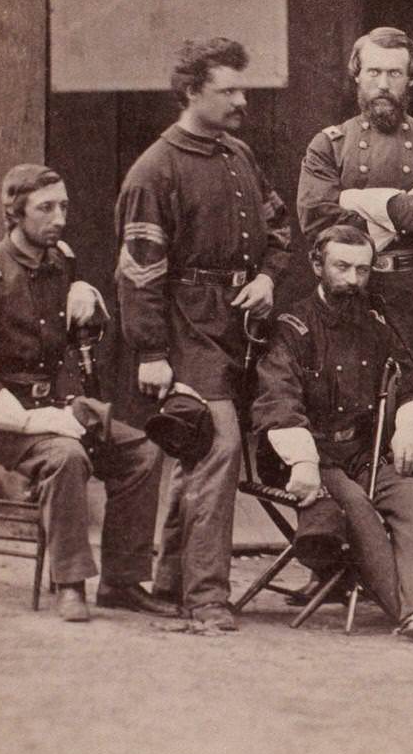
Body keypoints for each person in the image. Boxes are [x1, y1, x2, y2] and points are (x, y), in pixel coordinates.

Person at [0, 164, 171, 622]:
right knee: (67, 456)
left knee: (142, 451)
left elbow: (71, 340)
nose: (59, 217)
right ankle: (70, 584)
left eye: (63, 205)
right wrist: (31, 420)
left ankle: (121, 581)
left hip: (50, 406)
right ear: (15, 213)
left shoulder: (60, 260)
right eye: (45, 208)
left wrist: (87, 304)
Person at [115, 38, 293, 630]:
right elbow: (139, 270)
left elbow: (279, 226)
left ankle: (169, 582)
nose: (243, 100)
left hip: (240, 327)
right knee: (219, 450)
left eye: (244, 88)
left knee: (195, 456)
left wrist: (268, 278)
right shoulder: (154, 170)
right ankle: (208, 599)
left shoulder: (238, 153)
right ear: (192, 92)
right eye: (229, 90)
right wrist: (151, 352)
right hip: (184, 328)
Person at [297, 26, 413, 580]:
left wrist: (368, 200)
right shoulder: (328, 145)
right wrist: (407, 206)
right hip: (353, 295)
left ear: (411, 80)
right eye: (373, 71)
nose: (383, 84)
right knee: (346, 423)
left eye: (394, 73)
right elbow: (318, 219)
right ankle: (341, 571)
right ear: (356, 76)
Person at [251, 224, 413, 640]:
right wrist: (302, 459)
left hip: (361, 453)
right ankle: (412, 613)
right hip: (307, 457)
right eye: (342, 267)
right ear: (317, 264)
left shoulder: (376, 323)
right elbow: (277, 401)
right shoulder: (291, 327)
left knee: (412, 492)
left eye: (362, 270)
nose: (352, 279)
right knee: (356, 503)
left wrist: (409, 426)